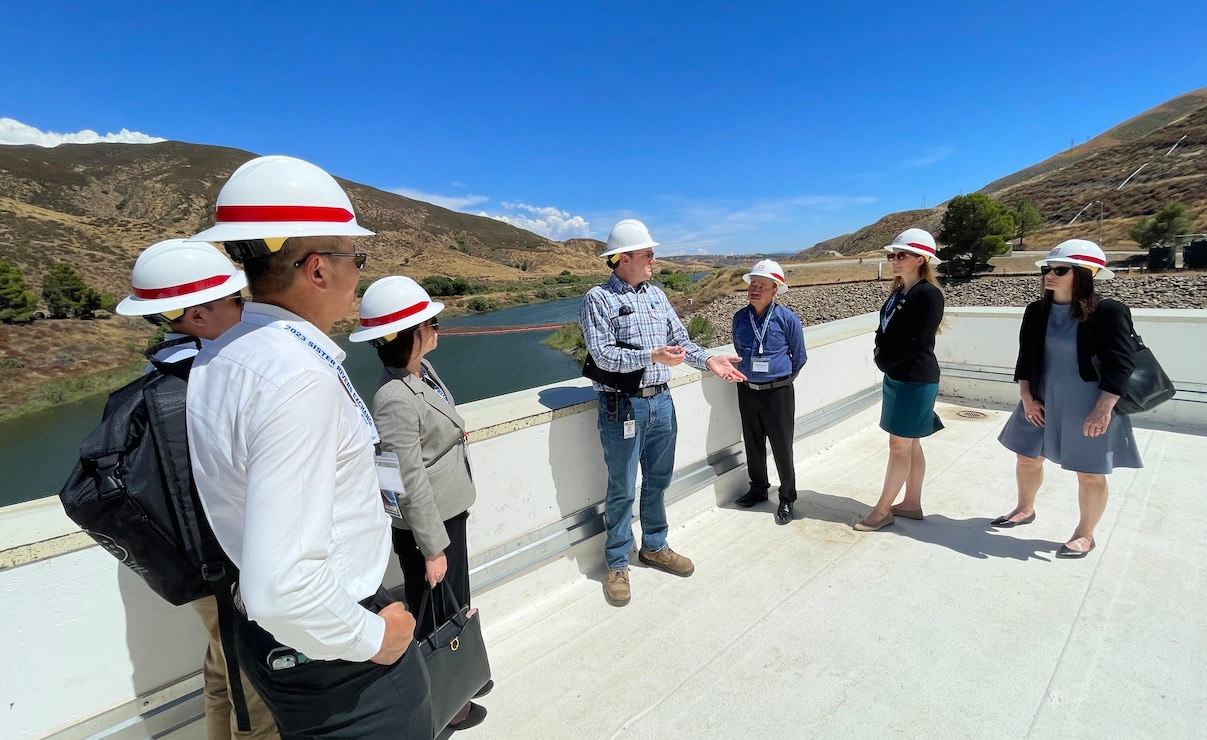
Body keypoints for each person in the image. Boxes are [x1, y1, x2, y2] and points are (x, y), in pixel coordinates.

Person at [186, 155, 432, 738]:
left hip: (287, 645)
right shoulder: (297, 377)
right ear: (318, 269)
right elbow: (282, 588)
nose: (359, 275)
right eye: (356, 258)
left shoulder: (225, 352)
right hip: (338, 654)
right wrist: (376, 637)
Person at [115, 239, 278, 740]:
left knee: (222, 667)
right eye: (235, 300)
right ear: (197, 314)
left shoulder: (161, 370)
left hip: (198, 565)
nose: (244, 307)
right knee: (257, 689)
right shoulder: (205, 376)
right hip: (228, 562)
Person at [579, 218, 746, 607]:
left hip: (661, 403)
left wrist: (710, 362)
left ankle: (654, 545)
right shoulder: (597, 299)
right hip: (624, 406)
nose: (654, 257)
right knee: (621, 486)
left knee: (659, 478)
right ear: (623, 259)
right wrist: (650, 355)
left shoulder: (656, 295)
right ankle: (617, 563)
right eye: (647, 253)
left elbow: (682, 342)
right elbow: (603, 354)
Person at [349, 276, 490, 732]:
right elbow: (406, 479)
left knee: (456, 600)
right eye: (427, 322)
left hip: (448, 514)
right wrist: (432, 548)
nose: (435, 328)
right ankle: (450, 703)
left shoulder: (420, 374)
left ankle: (466, 670)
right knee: (435, 612)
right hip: (429, 526)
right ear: (409, 335)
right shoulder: (392, 398)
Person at [992, 239, 1142, 558]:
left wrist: (1103, 409)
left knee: (1089, 472)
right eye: (1048, 269)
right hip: (1042, 398)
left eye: (1060, 270)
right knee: (1026, 457)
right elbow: (1025, 359)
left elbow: (1121, 363)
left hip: (1090, 402)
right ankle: (1024, 508)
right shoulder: (1036, 311)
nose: (1050, 275)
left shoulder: (1108, 312)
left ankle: (1085, 534)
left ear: (1085, 274)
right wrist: (1027, 397)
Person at [856, 228, 946, 532]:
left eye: (900, 255)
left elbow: (919, 341)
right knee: (910, 444)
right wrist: (881, 353)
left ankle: (883, 510)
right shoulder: (899, 293)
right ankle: (911, 503)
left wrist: (884, 360)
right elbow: (885, 330)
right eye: (892, 255)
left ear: (920, 259)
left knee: (898, 445)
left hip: (916, 379)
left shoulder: (928, 294)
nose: (894, 259)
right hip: (898, 377)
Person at [730, 259, 807, 525]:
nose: (755, 289)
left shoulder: (787, 319)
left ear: (775, 290)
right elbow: (740, 351)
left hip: (778, 393)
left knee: (782, 446)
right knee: (753, 443)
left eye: (762, 285)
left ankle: (787, 496)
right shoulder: (740, 318)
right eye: (753, 284)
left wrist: (780, 379)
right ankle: (759, 488)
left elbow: (799, 357)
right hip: (748, 390)